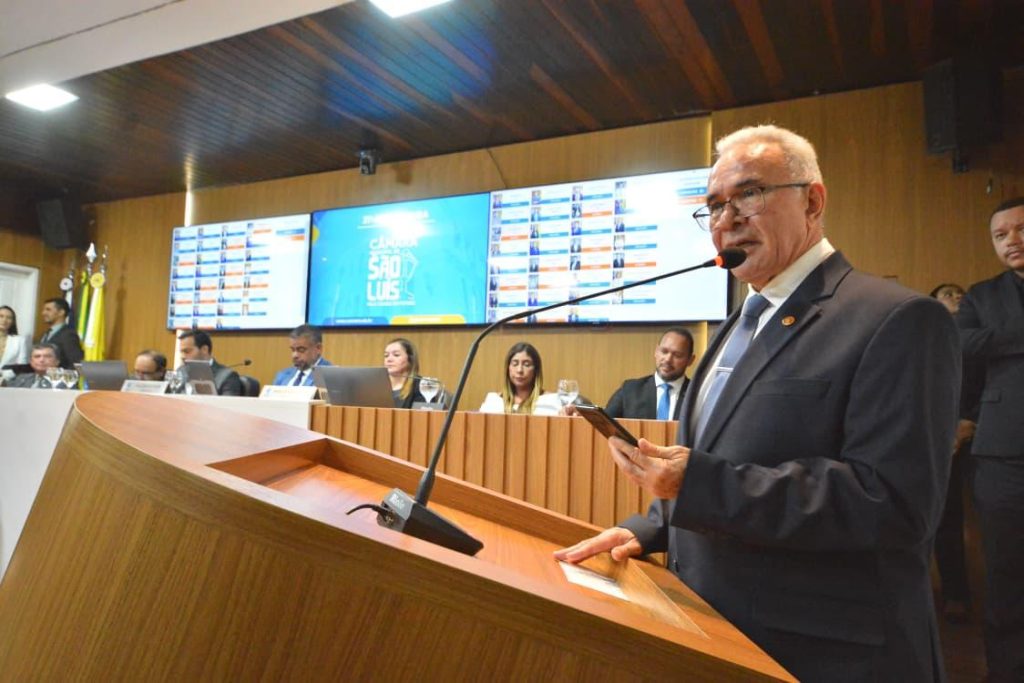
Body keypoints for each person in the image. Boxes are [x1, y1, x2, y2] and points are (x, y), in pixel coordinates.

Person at [555, 125, 959, 682]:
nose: (726, 219)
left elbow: (892, 502)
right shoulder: (734, 327)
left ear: (813, 201)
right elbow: (718, 459)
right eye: (714, 205)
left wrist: (694, 485)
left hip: (825, 654)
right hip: (718, 633)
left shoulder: (898, 319)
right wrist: (651, 530)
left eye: (749, 194)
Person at [955, 197, 1024, 682]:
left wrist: (1004, 337)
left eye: (1019, 230)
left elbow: (989, 341)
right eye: (1001, 236)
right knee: (1006, 573)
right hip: (1004, 452)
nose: (1012, 241)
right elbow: (962, 344)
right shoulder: (981, 295)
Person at [929, 283, 978, 624]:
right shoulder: (925, 341)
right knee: (944, 520)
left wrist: (970, 421)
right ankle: (953, 596)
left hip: (986, 437)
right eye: (946, 293)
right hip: (936, 442)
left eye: (960, 293)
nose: (955, 297)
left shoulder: (980, 340)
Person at [605, 328, 694, 420]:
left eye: (677, 355)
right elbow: (603, 424)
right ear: (656, 351)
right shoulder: (630, 390)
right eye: (664, 351)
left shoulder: (697, 394)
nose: (668, 359)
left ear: (690, 360)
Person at [479, 342, 561, 416]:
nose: (520, 370)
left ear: (536, 370)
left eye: (526, 364)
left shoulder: (551, 401)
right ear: (508, 369)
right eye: (515, 364)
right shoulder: (494, 401)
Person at [178, 330, 242, 396]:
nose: (182, 356)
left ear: (204, 350)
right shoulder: (181, 371)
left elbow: (227, 405)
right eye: (181, 352)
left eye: (187, 351)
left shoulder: (227, 376)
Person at [38, 298, 83, 369]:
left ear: (61, 312)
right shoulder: (47, 333)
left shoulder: (68, 335)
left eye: (48, 310)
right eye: (44, 310)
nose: (43, 313)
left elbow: (76, 362)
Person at [384, 338, 425, 409]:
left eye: (396, 355)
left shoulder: (421, 386)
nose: (389, 359)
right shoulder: (377, 385)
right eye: (386, 355)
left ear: (410, 359)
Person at [0, 305, 29, 383]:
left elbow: (21, 365)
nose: (4, 320)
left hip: (8, 382)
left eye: (9, 318)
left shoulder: (19, 340)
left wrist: (3, 378)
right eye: (1, 316)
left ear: (13, 322)